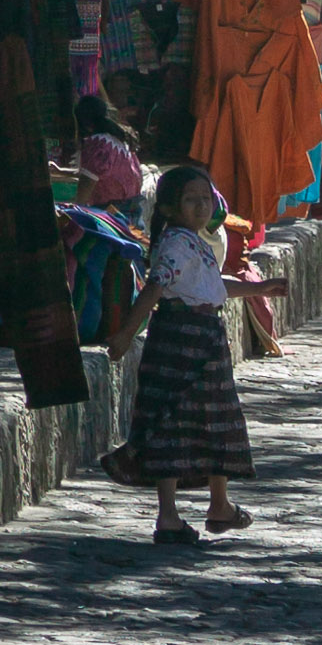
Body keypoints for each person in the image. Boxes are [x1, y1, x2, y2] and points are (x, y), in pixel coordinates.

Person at [101, 164, 282, 545]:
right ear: (168, 207)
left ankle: (219, 505)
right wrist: (124, 335)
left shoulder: (195, 242)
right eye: (191, 200)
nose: (201, 206)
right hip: (178, 339)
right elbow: (154, 289)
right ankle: (170, 515)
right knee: (171, 420)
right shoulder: (175, 245)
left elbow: (212, 286)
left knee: (211, 418)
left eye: (206, 198)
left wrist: (260, 287)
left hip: (205, 339)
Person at [73, 91, 145, 221]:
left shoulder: (98, 144)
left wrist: (73, 211)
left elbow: (85, 189)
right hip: (132, 210)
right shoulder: (119, 141)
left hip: (113, 213)